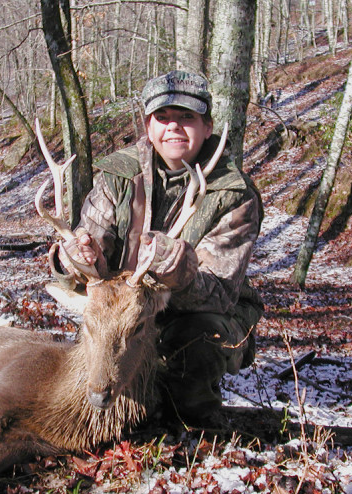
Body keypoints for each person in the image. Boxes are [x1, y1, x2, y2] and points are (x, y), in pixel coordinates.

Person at [49, 70, 263, 420]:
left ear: (207, 127)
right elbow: (89, 245)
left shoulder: (233, 194)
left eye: (186, 118)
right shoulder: (118, 176)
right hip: (126, 315)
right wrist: (73, 258)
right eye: (162, 118)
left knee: (198, 339)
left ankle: (197, 428)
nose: (173, 127)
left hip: (195, 316)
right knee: (98, 339)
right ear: (148, 127)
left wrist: (181, 272)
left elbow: (220, 293)